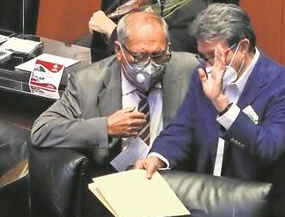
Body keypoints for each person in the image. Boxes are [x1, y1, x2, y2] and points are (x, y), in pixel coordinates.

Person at [136, 3, 285, 217]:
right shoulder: (203, 74)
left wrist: (222, 105)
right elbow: (182, 127)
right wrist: (157, 157)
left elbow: (270, 147)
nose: (208, 65)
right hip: (206, 212)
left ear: (243, 47)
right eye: (202, 56)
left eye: (214, 56)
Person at [31, 10, 197, 164]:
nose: (150, 65)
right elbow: (42, 131)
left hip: (170, 178)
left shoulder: (190, 69)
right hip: (111, 180)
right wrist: (106, 127)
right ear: (119, 50)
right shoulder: (87, 82)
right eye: (139, 56)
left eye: (157, 55)